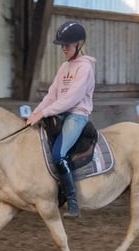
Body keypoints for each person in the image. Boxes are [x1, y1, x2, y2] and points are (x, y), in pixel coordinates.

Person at [26, 21, 96, 218]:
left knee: (58, 153)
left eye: (67, 45)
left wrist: (45, 113)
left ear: (79, 44)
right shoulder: (64, 67)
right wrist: (35, 113)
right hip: (60, 112)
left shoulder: (85, 69)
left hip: (76, 115)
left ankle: (72, 199)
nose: (63, 48)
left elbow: (71, 99)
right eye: (62, 45)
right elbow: (51, 95)